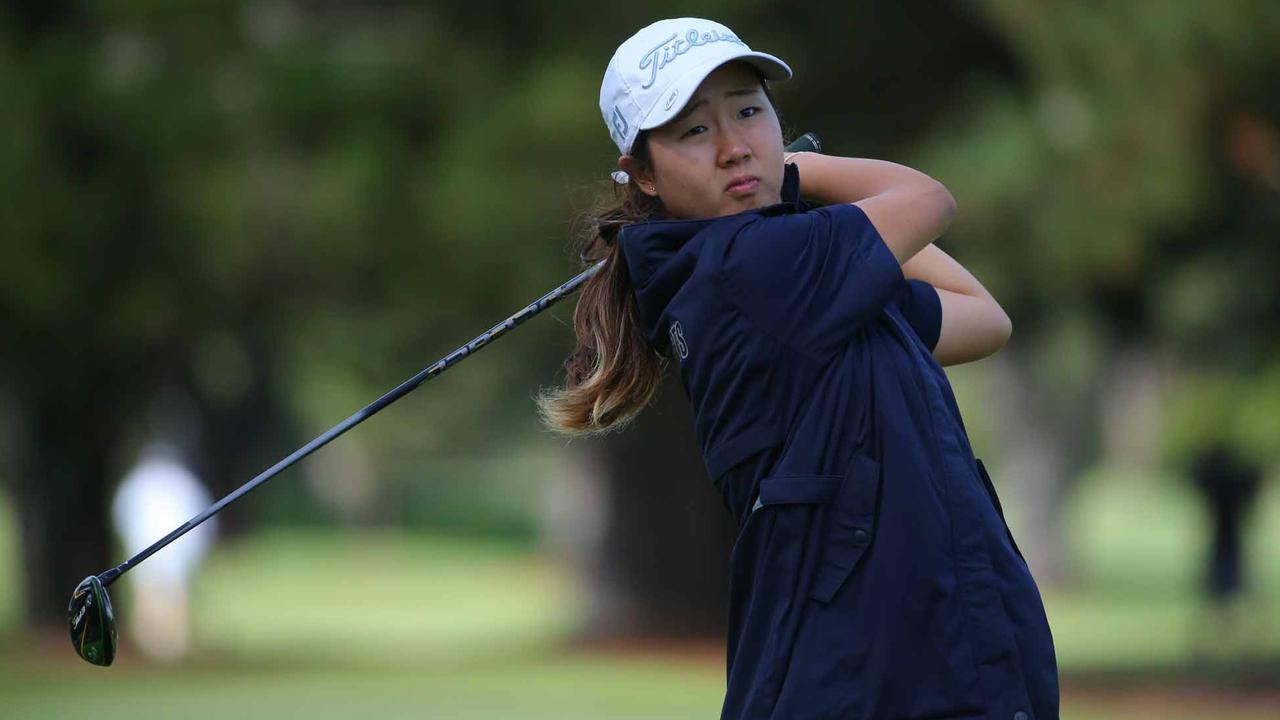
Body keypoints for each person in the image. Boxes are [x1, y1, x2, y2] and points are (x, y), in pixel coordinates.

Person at [540, 17, 1059, 720]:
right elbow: (927, 201)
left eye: (749, 112)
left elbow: (981, 317)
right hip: (868, 675)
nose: (733, 148)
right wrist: (798, 172)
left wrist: (799, 193)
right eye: (693, 131)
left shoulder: (805, 286)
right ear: (644, 176)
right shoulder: (755, 270)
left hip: (905, 661)